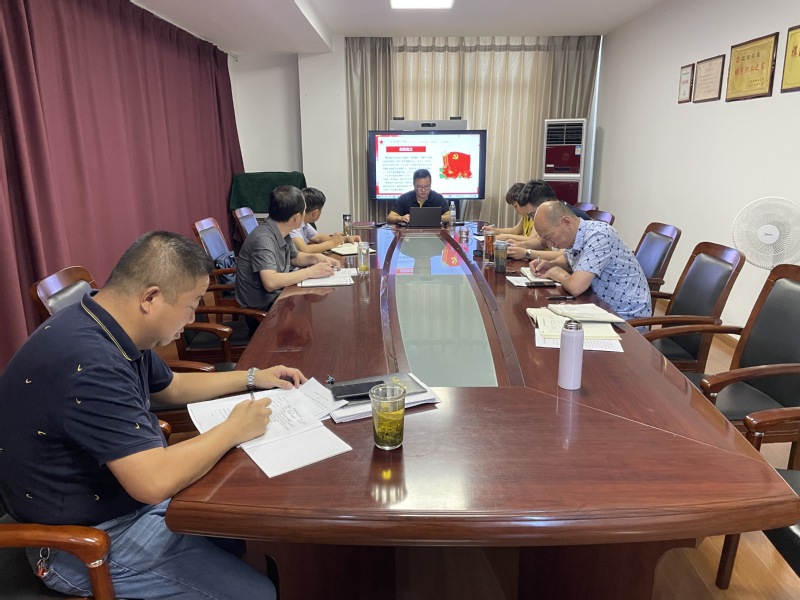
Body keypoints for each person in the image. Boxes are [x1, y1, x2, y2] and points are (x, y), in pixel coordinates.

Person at [0, 231, 306, 599]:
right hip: (82, 542)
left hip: (122, 500)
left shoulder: (110, 321)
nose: (192, 317)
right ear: (151, 298)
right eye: (192, 304)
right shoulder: (92, 364)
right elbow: (152, 482)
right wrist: (232, 430)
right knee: (256, 593)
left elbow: (171, 386)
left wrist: (254, 378)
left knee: (240, 528)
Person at [529, 200, 651, 320]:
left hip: (625, 317)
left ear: (566, 222)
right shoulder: (576, 236)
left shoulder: (599, 235)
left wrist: (559, 274)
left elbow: (575, 287)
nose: (550, 244)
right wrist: (550, 265)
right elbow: (568, 261)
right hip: (598, 306)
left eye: (549, 237)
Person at [235, 185, 340, 314]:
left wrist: (316, 258)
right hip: (264, 310)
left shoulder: (281, 229)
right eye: (304, 211)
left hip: (280, 298)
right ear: (296, 218)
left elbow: (294, 258)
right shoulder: (264, 239)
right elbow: (270, 282)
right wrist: (310, 272)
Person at [505, 179, 592, 261]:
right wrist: (520, 245)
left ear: (547, 203)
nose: (534, 220)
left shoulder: (570, 217)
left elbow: (564, 255)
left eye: (533, 214)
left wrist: (527, 253)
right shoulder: (557, 211)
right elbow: (541, 242)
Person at [290, 187, 361, 254]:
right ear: (315, 213)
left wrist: (345, 239)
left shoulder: (304, 223)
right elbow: (305, 250)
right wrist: (332, 243)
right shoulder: (293, 225)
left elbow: (317, 237)